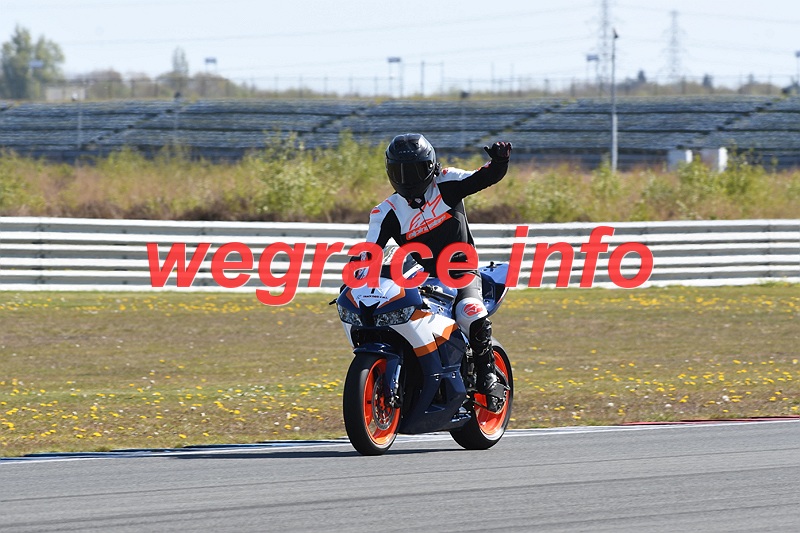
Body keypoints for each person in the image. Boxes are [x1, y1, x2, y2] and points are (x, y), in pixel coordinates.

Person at [364, 132, 512, 412]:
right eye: (400, 171)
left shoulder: (447, 182)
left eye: (415, 170)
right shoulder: (385, 212)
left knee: (469, 311)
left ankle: (487, 375)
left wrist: (499, 162)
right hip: (420, 276)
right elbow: (368, 252)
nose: (408, 179)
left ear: (431, 166)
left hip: (461, 270)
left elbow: (484, 177)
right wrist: (355, 277)